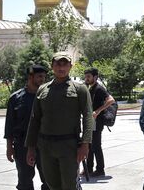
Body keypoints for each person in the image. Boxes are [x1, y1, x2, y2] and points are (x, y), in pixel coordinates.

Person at [25, 52, 94, 190]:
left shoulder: (80, 89)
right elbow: (35, 119)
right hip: (46, 146)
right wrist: (31, 147)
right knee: (52, 184)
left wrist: (85, 144)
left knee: (69, 185)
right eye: (58, 64)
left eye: (65, 64)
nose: (61, 67)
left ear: (70, 66)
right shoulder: (42, 89)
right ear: (52, 66)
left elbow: (87, 116)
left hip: (69, 146)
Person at [4, 65, 49, 190]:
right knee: (24, 181)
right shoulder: (16, 98)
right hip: (22, 145)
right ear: (30, 77)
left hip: (44, 144)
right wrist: (9, 147)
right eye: (39, 76)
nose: (42, 79)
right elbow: (10, 125)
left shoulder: (46, 97)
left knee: (49, 181)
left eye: (44, 77)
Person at [83, 68, 115, 177]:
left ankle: (100, 169)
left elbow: (111, 100)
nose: (86, 79)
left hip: (97, 121)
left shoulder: (99, 88)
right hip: (90, 121)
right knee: (89, 144)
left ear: (95, 77)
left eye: (89, 77)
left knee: (96, 145)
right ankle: (89, 168)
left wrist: (98, 111)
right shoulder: (89, 88)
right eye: (86, 76)